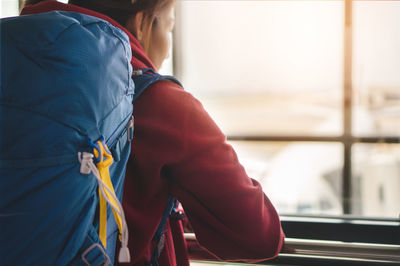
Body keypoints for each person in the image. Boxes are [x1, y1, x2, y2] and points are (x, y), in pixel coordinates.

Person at [21, 0, 285, 265]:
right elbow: (259, 236)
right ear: (142, 23)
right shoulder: (163, 104)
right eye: (169, 27)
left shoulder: (18, 77)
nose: (168, 52)